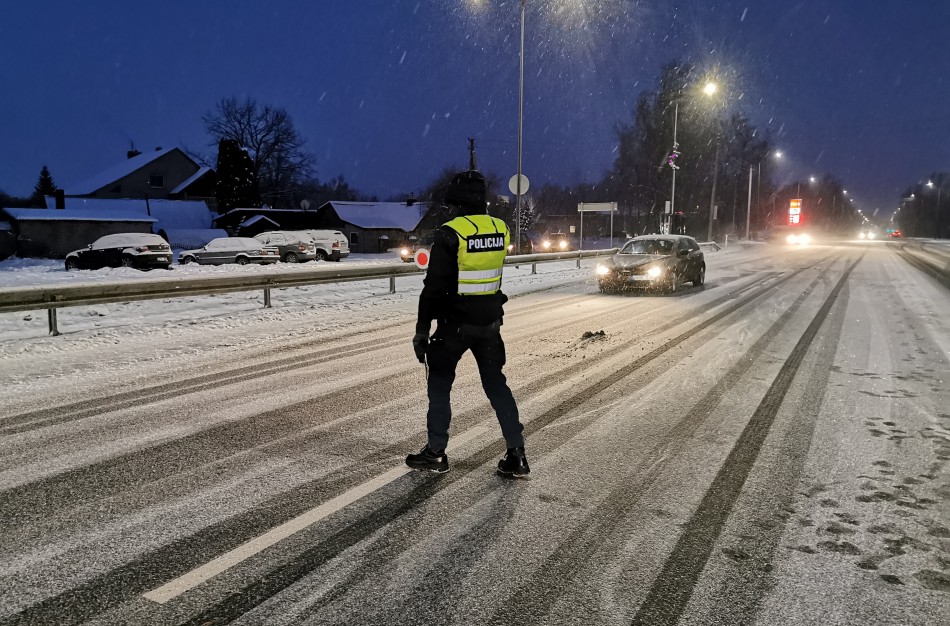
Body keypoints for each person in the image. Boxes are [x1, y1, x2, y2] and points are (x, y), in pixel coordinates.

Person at [406, 169, 529, 477]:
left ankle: (436, 452)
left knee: (440, 385)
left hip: (454, 325)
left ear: (455, 202)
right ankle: (517, 453)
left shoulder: (450, 232)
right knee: (496, 385)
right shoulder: (501, 229)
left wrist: (422, 331)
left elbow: (434, 288)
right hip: (490, 323)